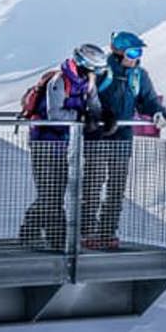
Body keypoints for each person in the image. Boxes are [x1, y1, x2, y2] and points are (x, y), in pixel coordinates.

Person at [82, 30, 166, 250]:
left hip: (122, 138)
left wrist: (158, 113)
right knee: (93, 184)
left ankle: (107, 231)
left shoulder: (138, 75)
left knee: (116, 187)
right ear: (118, 51)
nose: (136, 57)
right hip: (98, 136)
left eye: (138, 52)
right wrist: (99, 116)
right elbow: (87, 97)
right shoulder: (101, 70)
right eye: (132, 51)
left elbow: (147, 100)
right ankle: (87, 232)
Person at [18, 43, 107, 250]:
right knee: (51, 193)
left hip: (64, 145)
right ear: (84, 64)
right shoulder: (59, 81)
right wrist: (82, 117)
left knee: (54, 191)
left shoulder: (87, 81)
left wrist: (102, 116)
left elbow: (94, 106)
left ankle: (31, 232)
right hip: (44, 143)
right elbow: (54, 115)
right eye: (95, 67)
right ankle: (56, 240)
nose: (97, 72)